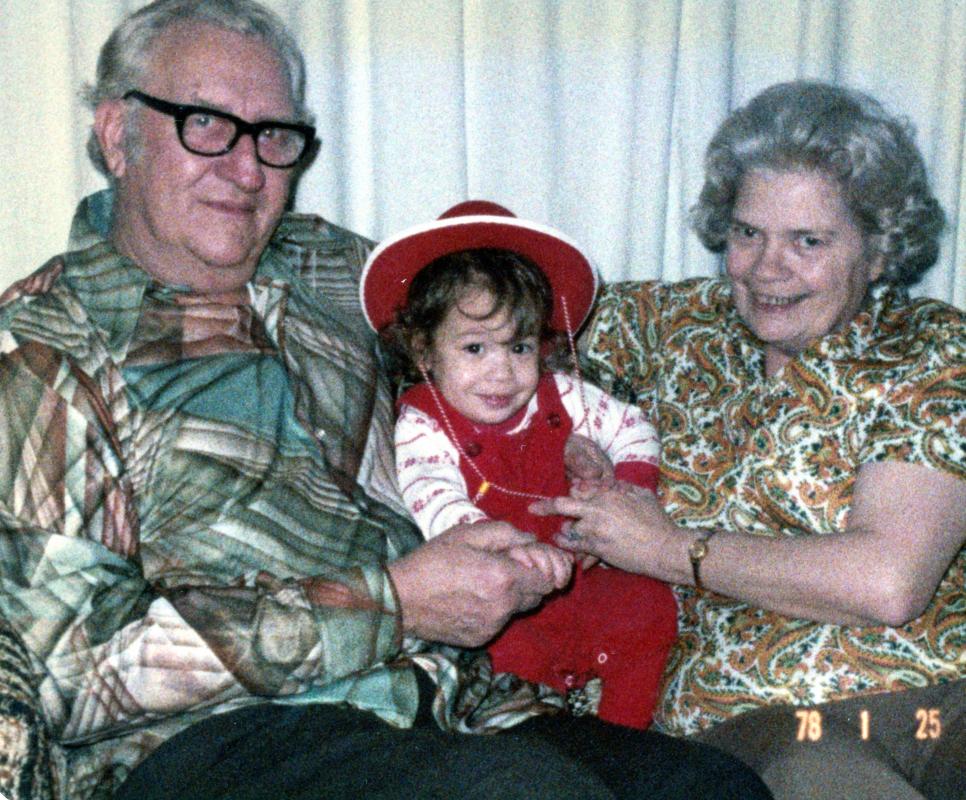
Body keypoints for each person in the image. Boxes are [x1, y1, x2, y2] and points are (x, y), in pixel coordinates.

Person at [0, 1, 774, 799]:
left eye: (274, 136)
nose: (248, 169)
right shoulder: (44, 349)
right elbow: (75, 668)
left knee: (713, 789)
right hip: (216, 741)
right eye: (206, 125)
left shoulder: (334, 270)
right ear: (117, 135)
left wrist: (579, 435)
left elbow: (515, 340)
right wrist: (393, 604)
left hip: (455, 705)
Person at [533, 80, 966, 799]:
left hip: (939, 696)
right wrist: (571, 432)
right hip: (756, 714)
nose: (768, 268)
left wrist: (666, 548)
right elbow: (483, 312)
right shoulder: (675, 328)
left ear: (878, 251)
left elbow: (888, 582)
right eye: (747, 233)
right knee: (824, 774)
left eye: (808, 241)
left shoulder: (930, 349)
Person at [360, 200, 677, 729]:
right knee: (498, 657)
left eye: (520, 347)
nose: (502, 373)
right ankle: (545, 737)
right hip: (502, 592)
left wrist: (623, 494)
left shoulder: (563, 395)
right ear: (424, 351)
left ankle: (626, 731)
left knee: (649, 607)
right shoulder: (422, 422)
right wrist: (509, 551)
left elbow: (635, 429)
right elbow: (434, 497)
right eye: (475, 349)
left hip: (586, 573)